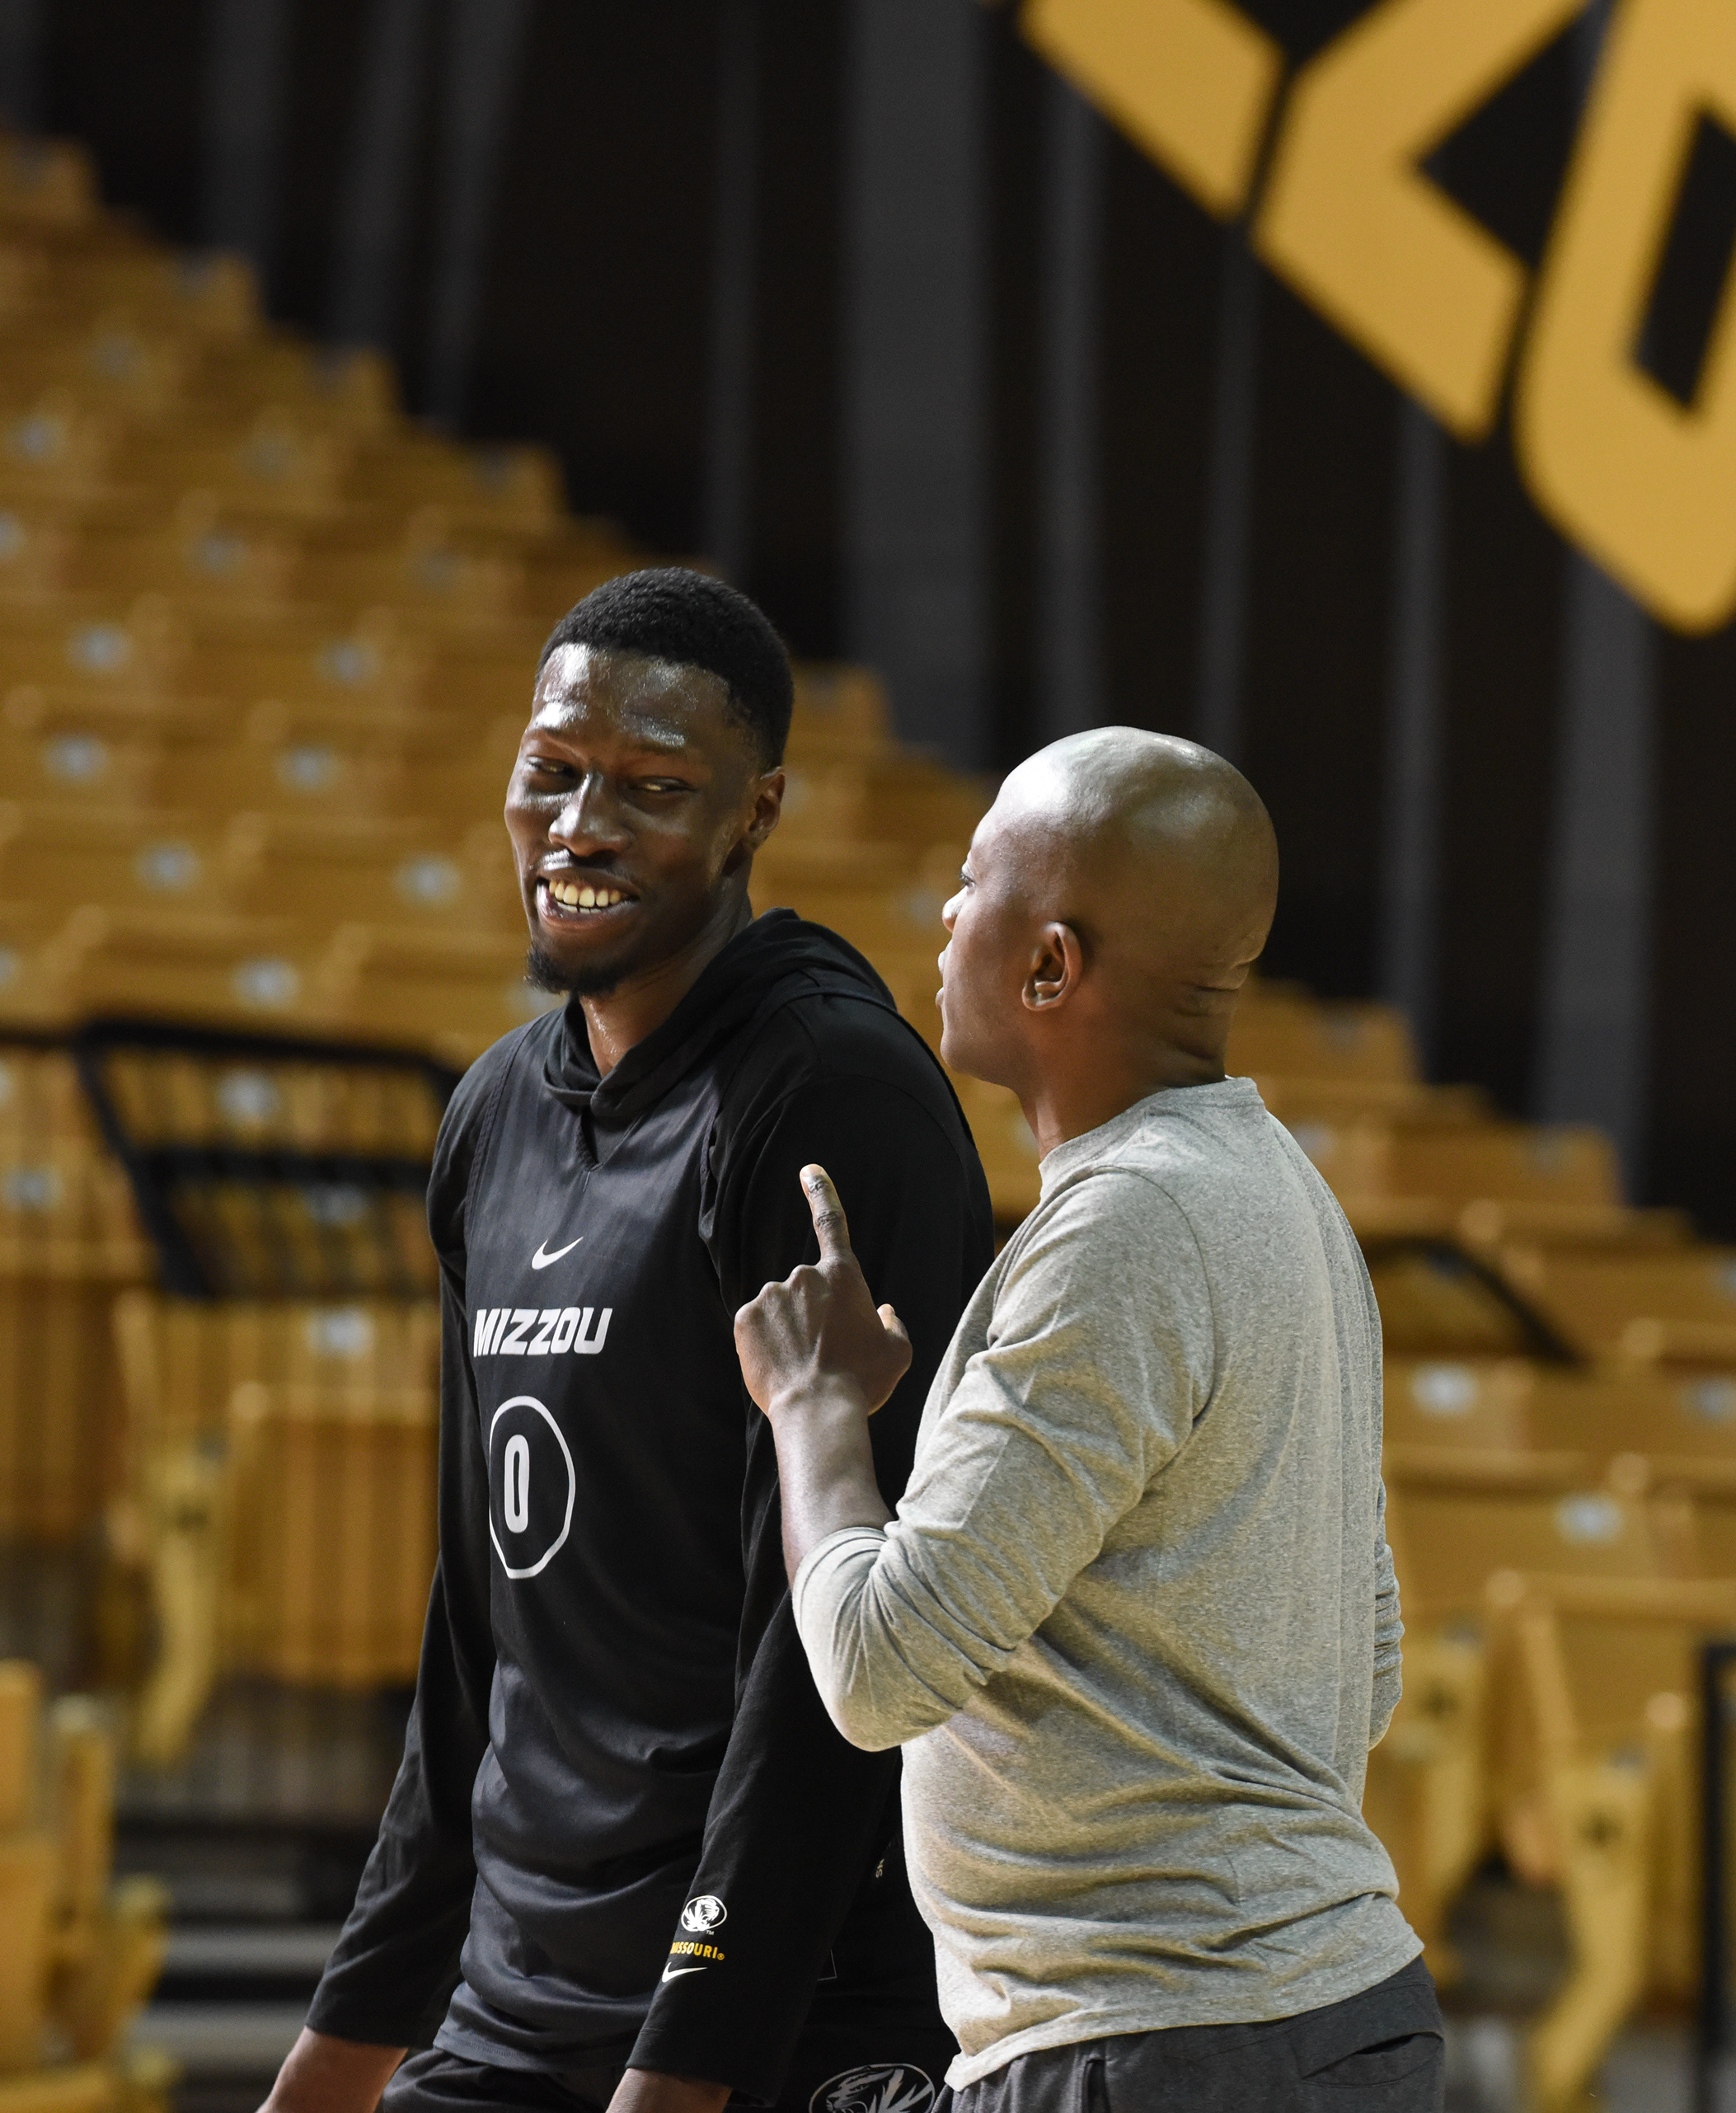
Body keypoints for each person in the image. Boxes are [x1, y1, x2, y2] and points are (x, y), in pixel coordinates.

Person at [262, 570, 992, 2113]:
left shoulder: (825, 1097)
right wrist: (338, 2051)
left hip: (777, 2021)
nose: (583, 822)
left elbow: (835, 1659)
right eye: (553, 771)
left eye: (656, 787)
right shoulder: (494, 1118)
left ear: (752, 816)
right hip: (515, 2001)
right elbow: (480, 1636)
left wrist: (686, 2065)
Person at [730, 728, 1439, 2111]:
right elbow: (1369, 1660)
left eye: (977, 875)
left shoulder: (1123, 1229)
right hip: (1334, 2023)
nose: (945, 909)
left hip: (1152, 2047)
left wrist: (813, 1411)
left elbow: (879, 1673)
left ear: (1050, 965)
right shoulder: (1289, 1196)